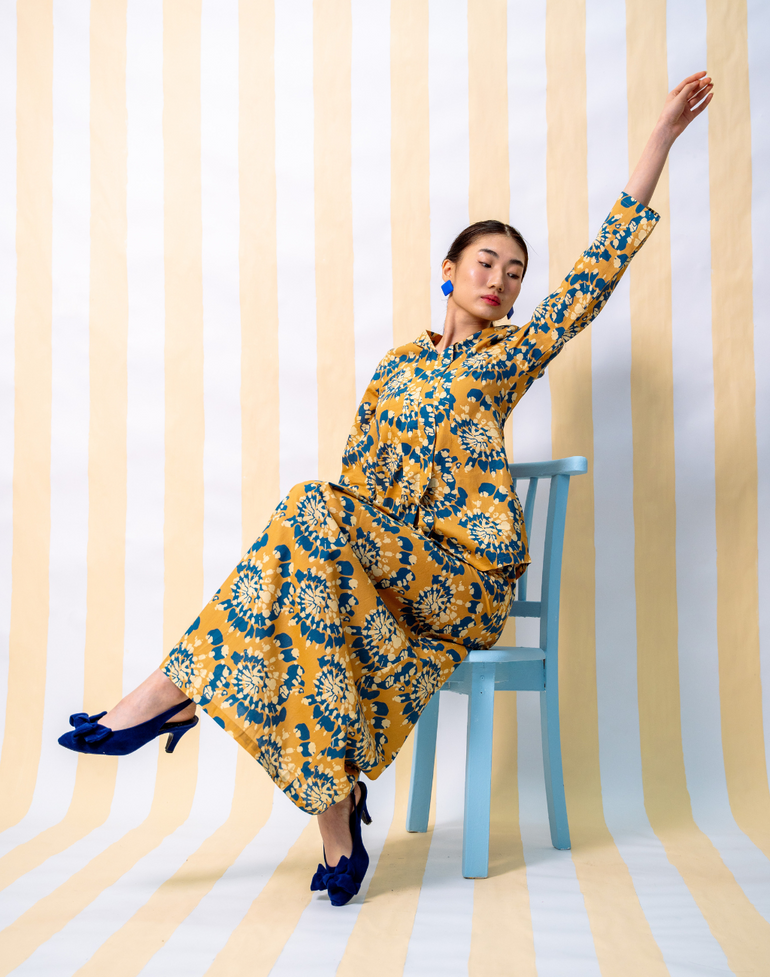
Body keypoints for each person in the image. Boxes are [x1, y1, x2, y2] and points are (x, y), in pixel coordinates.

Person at [59, 71, 713, 906]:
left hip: (464, 582)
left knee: (310, 512)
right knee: (312, 561)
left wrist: (660, 137)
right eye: (487, 262)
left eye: (515, 272)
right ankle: (336, 822)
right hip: (390, 578)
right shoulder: (395, 368)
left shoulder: (508, 357)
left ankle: (170, 692)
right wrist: (346, 562)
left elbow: (597, 273)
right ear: (449, 270)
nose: (501, 280)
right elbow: (356, 491)